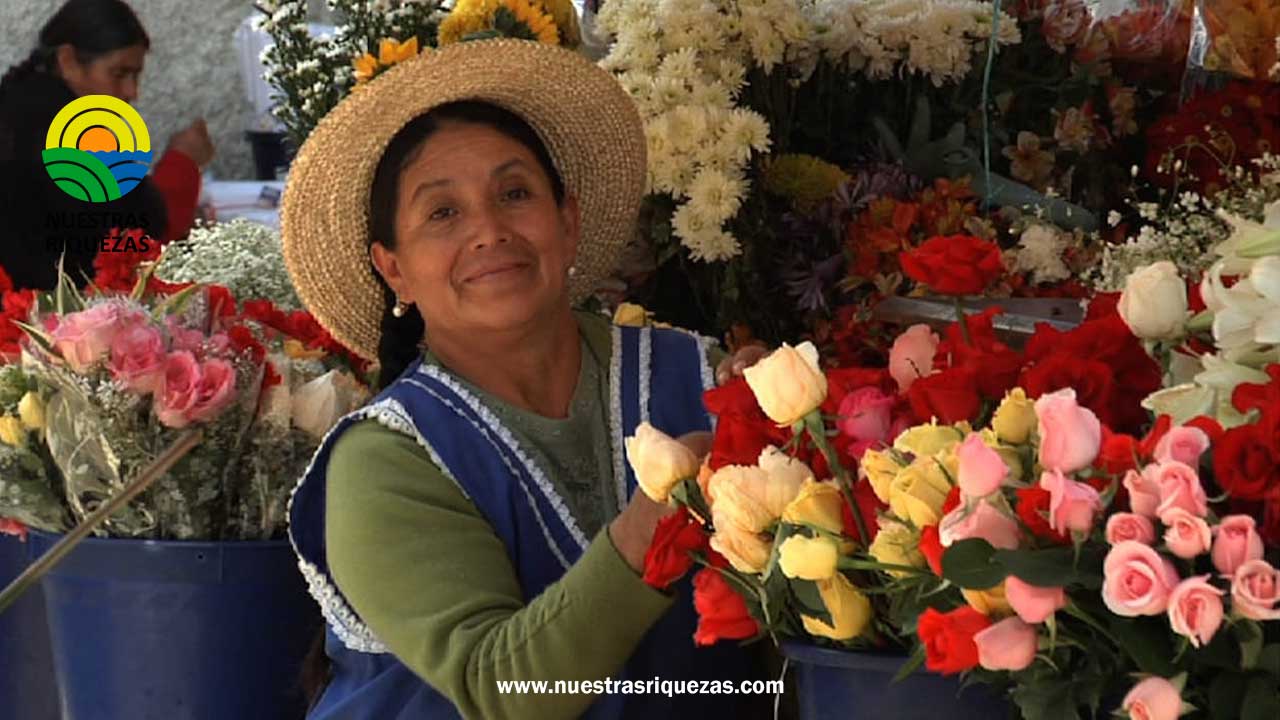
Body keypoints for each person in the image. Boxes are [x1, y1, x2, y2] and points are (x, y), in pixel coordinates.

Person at [282, 39, 770, 719]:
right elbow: (503, 690)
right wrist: (657, 517)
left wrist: (792, 436)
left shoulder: (688, 374)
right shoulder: (385, 459)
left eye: (515, 194)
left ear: (566, 222)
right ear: (394, 269)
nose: (489, 230)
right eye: (443, 213)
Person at [0, 0, 214, 289]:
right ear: (68, 61)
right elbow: (145, 243)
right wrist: (183, 163)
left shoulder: (18, 102)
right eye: (119, 74)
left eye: (136, 76)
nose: (131, 92)